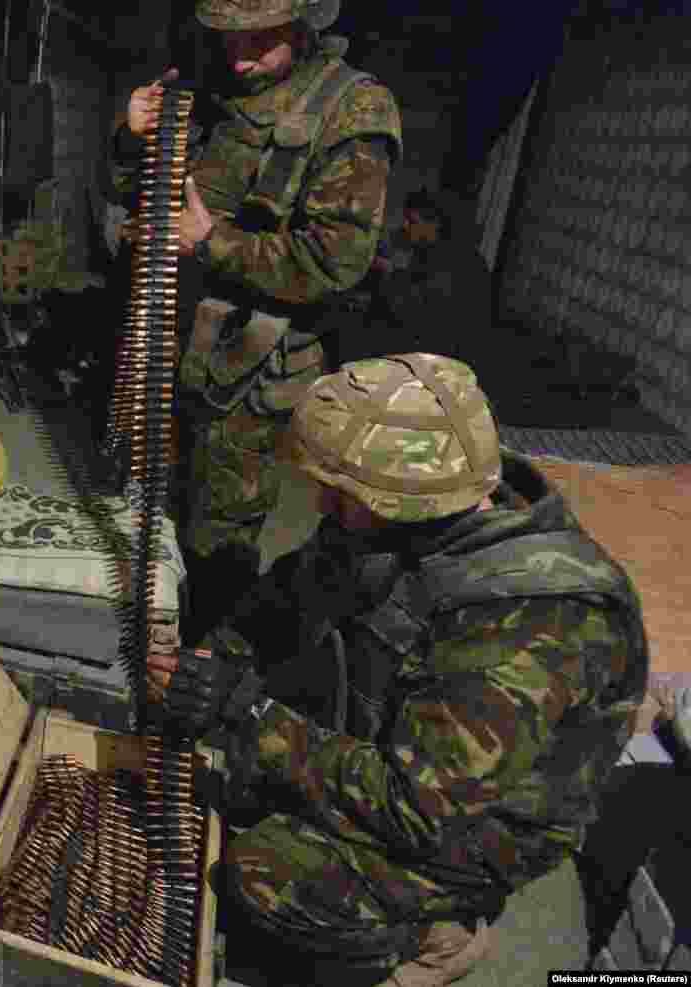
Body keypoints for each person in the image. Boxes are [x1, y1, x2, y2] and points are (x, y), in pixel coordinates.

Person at [145, 353, 648, 986]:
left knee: (266, 872)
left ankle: (440, 937)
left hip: (472, 825)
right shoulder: (393, 528)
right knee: (232, 782)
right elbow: (276, 607)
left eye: (343, 491)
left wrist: (246, 711)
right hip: (405, 754)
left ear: (403, 497)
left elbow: (420, 808)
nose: (323, 503)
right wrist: (209, 662)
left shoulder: (530, 620)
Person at [106, 0, 402, 643]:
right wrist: (132, 139)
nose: (240, 57)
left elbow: (333, 264)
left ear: (303, 25)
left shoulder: (352, 110)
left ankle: (201, 662)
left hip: (250, 365)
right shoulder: (206, 85)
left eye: (261, 40)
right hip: (166, 335)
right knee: (148, 502)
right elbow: (143, 197)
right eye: (229, 39)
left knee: (219, 533)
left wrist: (211, 243)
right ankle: (148, 641)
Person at [379, 188, 494, 361]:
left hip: (447, 358)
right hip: (437, 343)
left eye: (411, 221)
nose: (404, 225)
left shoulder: (453, 262)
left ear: (434, 224)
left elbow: (410, 313)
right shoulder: (436, 250)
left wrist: (388, 273)